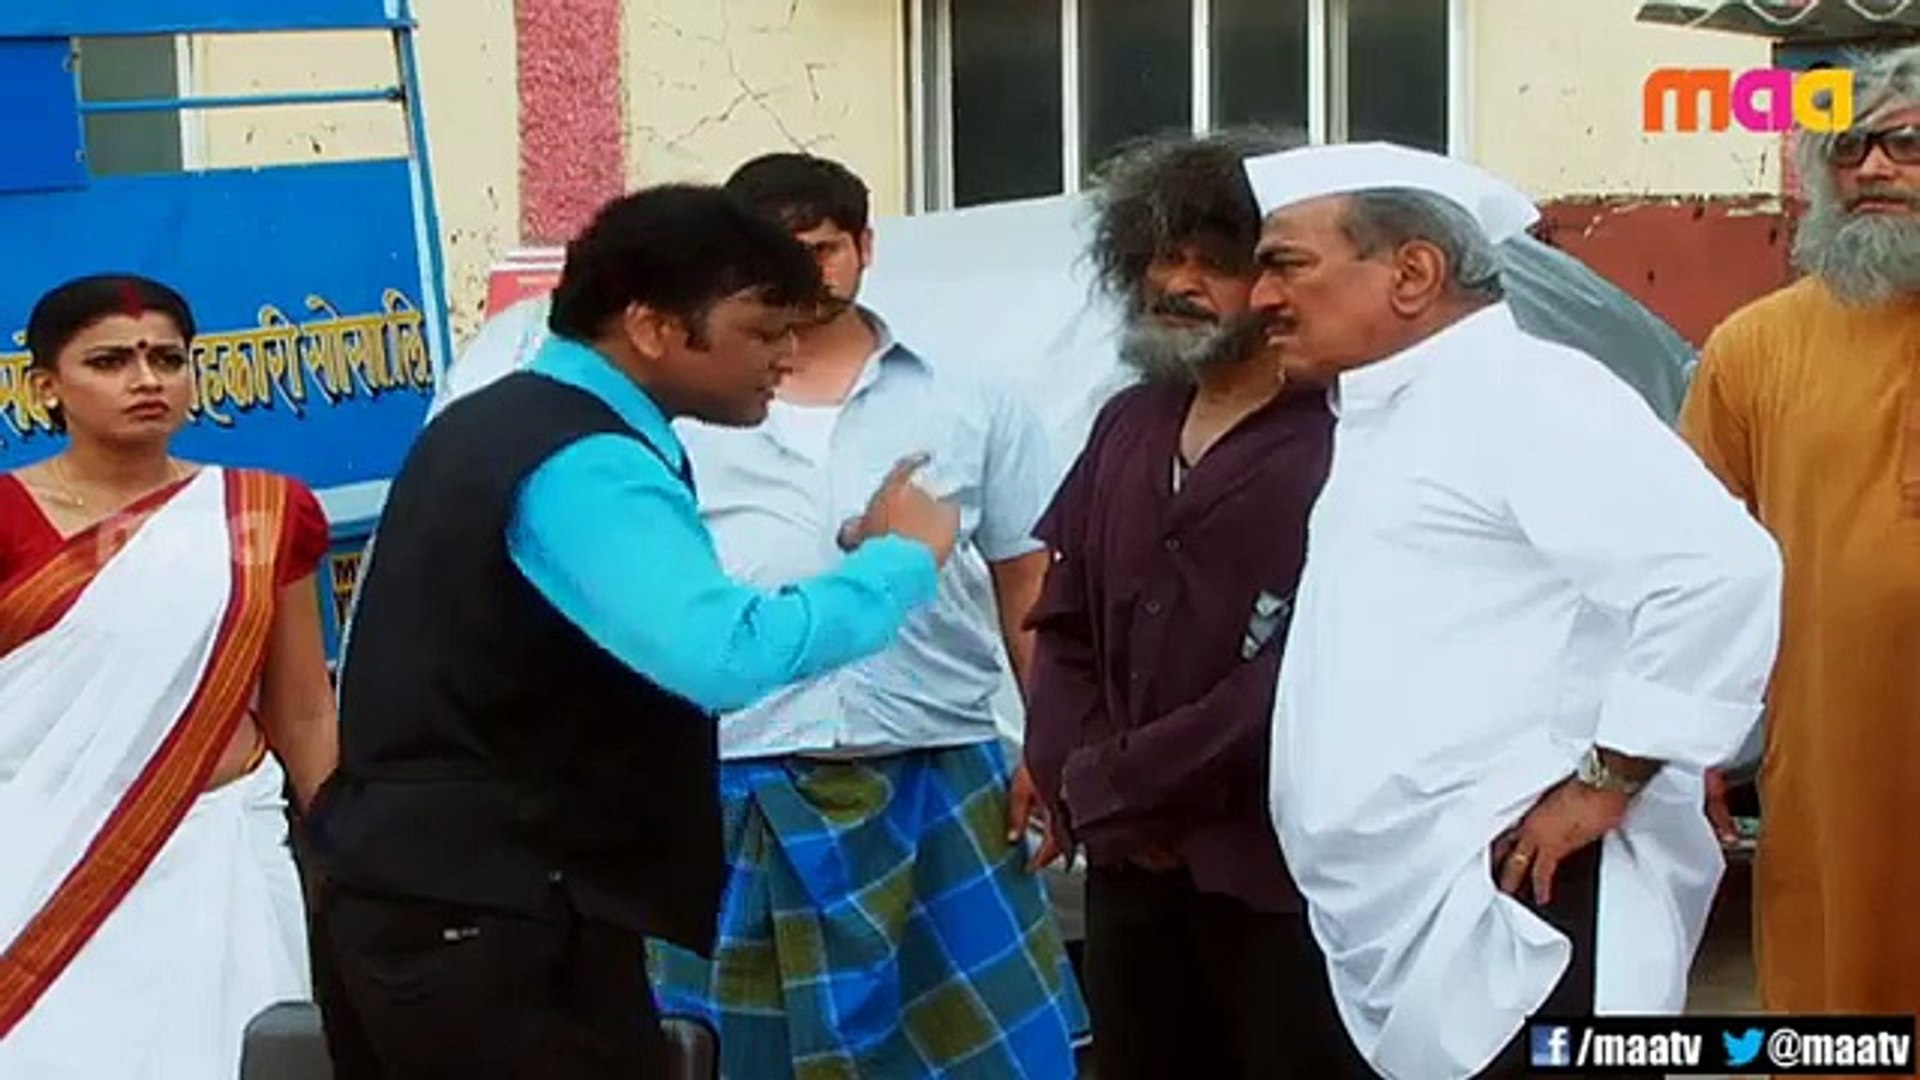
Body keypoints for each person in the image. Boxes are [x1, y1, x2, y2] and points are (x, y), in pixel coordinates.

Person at [308, 183, 961, 1079]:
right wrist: (900, 562)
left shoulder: (505, 419)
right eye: (762, 330)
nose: (786, 355)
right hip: (494, 912)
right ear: (651, 325)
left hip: (443, 893)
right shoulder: (583, 459)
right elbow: (721, 655)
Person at [1245, 143, 1784, 1080]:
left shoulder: (1527, 394)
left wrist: (1609, 777)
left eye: (1286, 264)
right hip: (1409, 907)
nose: (1260, 298)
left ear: (1414, 273)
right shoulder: (1383, 412)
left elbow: (1718, 573)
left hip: (1521, 894)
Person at [646, 152, 1088, 1078]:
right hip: (739, 777)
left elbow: (1027, 582)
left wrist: (1048, 744)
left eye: (823, 248)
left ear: (865, 247)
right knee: (736, 1057)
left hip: (940, 771)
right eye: (777, 253)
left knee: (987, 1061)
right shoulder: (678, 419)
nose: (805, 273)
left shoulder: (969, 399)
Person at [1019, 128, 1368, 1080]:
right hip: (1132, 876)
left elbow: (1310, 666)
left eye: (1213, 262)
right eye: (1160, 258)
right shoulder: (1128, 423)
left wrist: (1129, 787)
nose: (1176, 283)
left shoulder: (1350, 438)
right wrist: (1078, 770)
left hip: (1280, 877)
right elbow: (1065, 620)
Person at [0, 274, 337, 1078]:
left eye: (167, 358)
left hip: (218, 850)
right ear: (45, 387)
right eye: (110, 361)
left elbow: (304, 711)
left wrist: (352, 850)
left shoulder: (261, 512)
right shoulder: (7, 517)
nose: (146, 379)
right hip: (39, 850)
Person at [1682, 44, 1920, 1041]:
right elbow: (1687, 563)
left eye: (1905, 145)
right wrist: (1685, 745)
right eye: (1848, 148)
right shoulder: (1756, 346)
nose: (1873, 169)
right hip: (1831, 759)